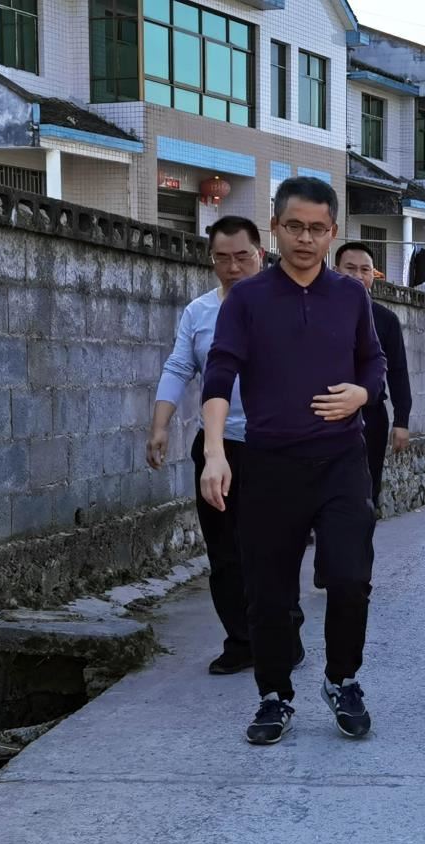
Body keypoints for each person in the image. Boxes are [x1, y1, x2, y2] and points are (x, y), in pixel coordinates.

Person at [201, 176, 385, 745]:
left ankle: (342, 679)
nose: (306, 239)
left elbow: (373, 362)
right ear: (275, 228)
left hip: (341, 460)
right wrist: (214, 453)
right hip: (269, 464)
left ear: (333, 232)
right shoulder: (248, 298)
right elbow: (219, 373)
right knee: (269, 591)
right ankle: (274, 694)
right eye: (295, 227)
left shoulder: (351, 295)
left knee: (350, 577)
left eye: (318, 229)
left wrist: (362, 394)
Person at [147, 216, 303, 676]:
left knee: (273, 549)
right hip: (218, 447)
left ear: (261, 254)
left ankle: (283, 634)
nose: (233, 268)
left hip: (276, 448)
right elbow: (179, 368)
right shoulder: (199, 313)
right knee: (225, 551)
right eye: (222, 258)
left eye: (242, 257)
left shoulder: (289, 304)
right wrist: (159, 426)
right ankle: (241, 639)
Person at [334, 242, 413, 508]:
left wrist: (401, 421)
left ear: (373, 275)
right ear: (335, 270)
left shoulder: (386, 319)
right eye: (350, 268)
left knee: (367, 491)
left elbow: (398, 372)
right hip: (328, 414)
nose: (358, 275)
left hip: (371, 416)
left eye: (365, 270)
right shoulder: (319, 311)